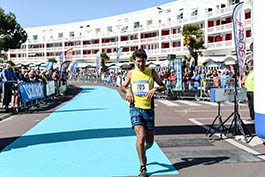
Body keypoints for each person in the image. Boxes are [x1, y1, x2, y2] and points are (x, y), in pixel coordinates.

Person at [121, 49, 166, 177]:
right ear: (134, 61)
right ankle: (143, 167)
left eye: (143, 61)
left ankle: (142, 151)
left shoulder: (151, 72)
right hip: (135, 108)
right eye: (138, 62)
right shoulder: (131, 73)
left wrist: (155, 89)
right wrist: (128, 90)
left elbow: (163, 86)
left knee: (150, 142)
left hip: (149, 109)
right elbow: (122, 86)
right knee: (140, 137)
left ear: (146, 60)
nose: (141, 64)